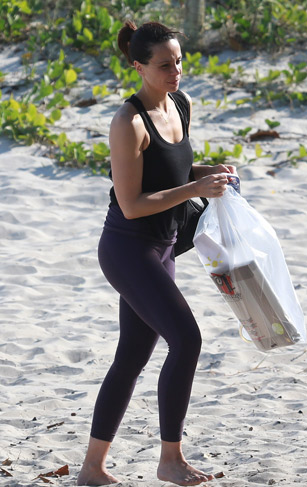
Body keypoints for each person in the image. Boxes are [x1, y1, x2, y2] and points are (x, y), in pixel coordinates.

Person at [77, 21, 236, 486]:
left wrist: (213, 173)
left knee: (131, 356)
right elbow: (132, 203)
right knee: (186, 340)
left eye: (179, 62)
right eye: (164, 65)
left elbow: (176, 170)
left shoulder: (180, 104)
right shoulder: (127, 123)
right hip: (128, 250)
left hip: (165, 246)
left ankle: (91, 469)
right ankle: (170, 459)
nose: (175, 72)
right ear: (139, 67)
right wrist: (195, 187)